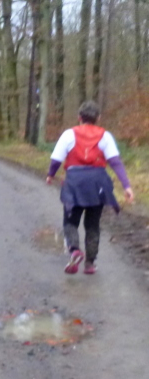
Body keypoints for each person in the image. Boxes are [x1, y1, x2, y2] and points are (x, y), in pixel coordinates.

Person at [46, 100, 134, 274]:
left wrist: (51, 174)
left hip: (74, 184)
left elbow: (56, 159)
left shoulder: (69, 134)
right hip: (97, 184)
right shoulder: (105, 136)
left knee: (70, 221)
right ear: (98, 118)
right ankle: (90, 264)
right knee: (93, 225)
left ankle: (75, 250)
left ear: (79, 117)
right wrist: (127, 186)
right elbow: (115, 162)